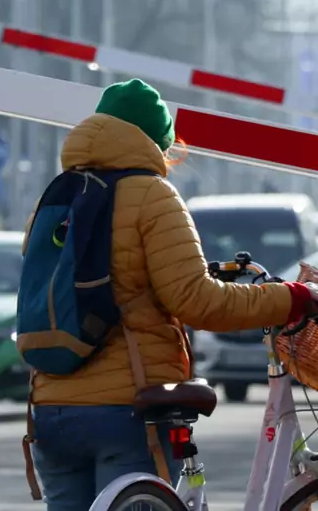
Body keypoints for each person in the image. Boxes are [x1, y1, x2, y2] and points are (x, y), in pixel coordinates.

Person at [25, 79, 318, 510]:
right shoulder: (152, 195)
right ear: (155, 141)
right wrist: (292, 297)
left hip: (50, 407)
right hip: (126, 408)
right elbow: (198, 301)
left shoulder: (54, 197)